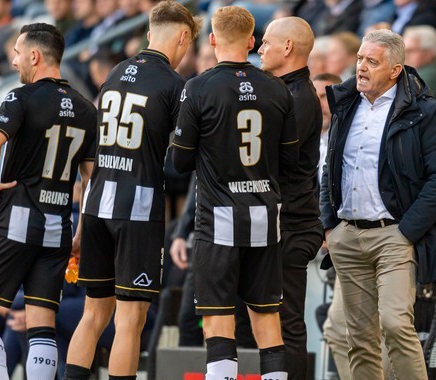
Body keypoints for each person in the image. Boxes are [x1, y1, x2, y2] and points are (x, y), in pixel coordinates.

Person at [63, 2, 200, 379]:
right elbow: (182, 159)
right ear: (183, 37)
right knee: (130, 318)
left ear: (150, 31)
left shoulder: (115, 73)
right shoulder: (175, 85)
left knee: (93, 313)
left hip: (95, 204)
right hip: (136, 208)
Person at [320, 29, 436, 379]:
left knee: (396, 325)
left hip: (394, 236)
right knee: (358, 338)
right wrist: (330, 224)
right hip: (348, 235)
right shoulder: (346, 103)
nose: (362, 67)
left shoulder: (428, 113)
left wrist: (406, 231)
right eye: (359, 59)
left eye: (372, 61)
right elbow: (330, 166)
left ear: (395, 70)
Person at [0, 23, 97, 380]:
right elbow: (91, 178)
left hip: (17, 218)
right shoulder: (85, 109)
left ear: (34, 56)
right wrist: (81, 231)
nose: (15, 62)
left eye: (17, 54)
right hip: (58, 227)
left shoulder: (20, 98)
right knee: (41, 323)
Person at [171, 6, 298, 380]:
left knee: (217, 321)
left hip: (218, 220)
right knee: (267, 322)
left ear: (212, 40)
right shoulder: (278, 87)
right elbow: (289, 160)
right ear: (252, 42)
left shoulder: (198, 87)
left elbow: (179, 164)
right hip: (265, 218)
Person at [258, 16, 323, 380]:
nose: (260, 48)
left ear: (287, 48)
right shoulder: (282, 91)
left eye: (267, 41)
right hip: (277, 222)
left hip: (292, 225)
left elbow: (274, 163)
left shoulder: (299, 98)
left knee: (287, 322)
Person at [402, 25, 436, 105]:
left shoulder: (435, 74)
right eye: (404, 50)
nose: (405, 55)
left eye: (411, 51)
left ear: (429, 53)